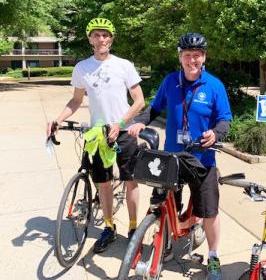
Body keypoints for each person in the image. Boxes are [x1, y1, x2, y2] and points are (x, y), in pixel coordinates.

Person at [128, 32, 231, 280]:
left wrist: (216, 135)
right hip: (172, 157)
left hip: (201, 159)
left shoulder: (214, 85)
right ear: (180, 57)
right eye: (187, 55)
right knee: (162, 201)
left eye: (197, 55)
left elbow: (225, 119)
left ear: (204, 57)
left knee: (209, 212)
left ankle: (214, 255)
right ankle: (165, 239)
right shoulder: (171, 81)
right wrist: (140, 123)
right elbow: (154, 106)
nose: (192, 60)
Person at [46, 18, 145, 253]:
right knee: (103, 183)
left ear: (111, 38)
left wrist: (120, 122)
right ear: (90, 38)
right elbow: (76, 100)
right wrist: (58, 119)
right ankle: (109, 228)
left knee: (131, 181)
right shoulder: (82, 67)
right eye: (97, 35)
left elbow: (139, 101)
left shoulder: (124, 65)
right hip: (97, 135)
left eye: (105, 35)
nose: (102, 39)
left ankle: (132, 229)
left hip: (122, 133)